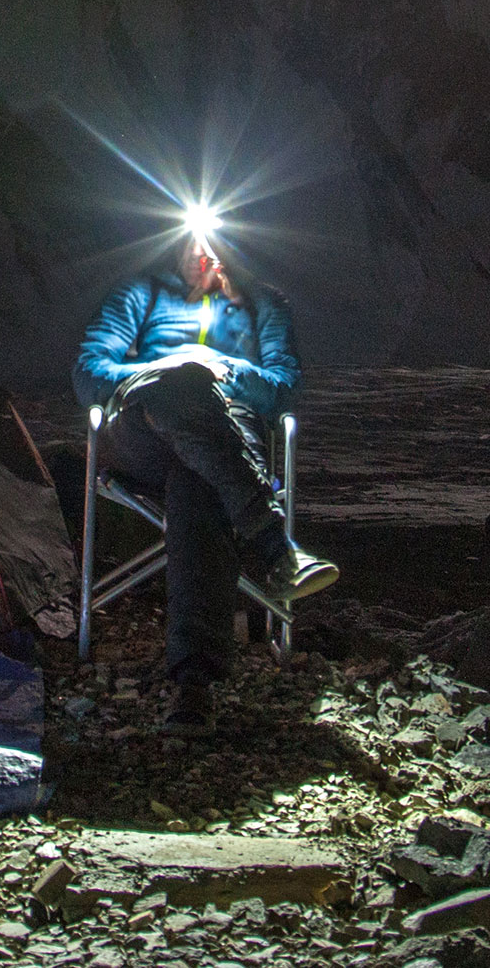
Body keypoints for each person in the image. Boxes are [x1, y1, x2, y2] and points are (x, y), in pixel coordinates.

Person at [73, 232, 338, 731]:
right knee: (182, 386)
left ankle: (193, 685)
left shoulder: (264, 304)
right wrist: (165, 371)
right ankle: (274, 545)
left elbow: (284, 389)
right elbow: (90, 372)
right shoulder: (140, 293)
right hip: (145, 437)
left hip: (226, 444)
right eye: (195, 241)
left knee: (198, 482)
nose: (205, 252)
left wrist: (224, 370)